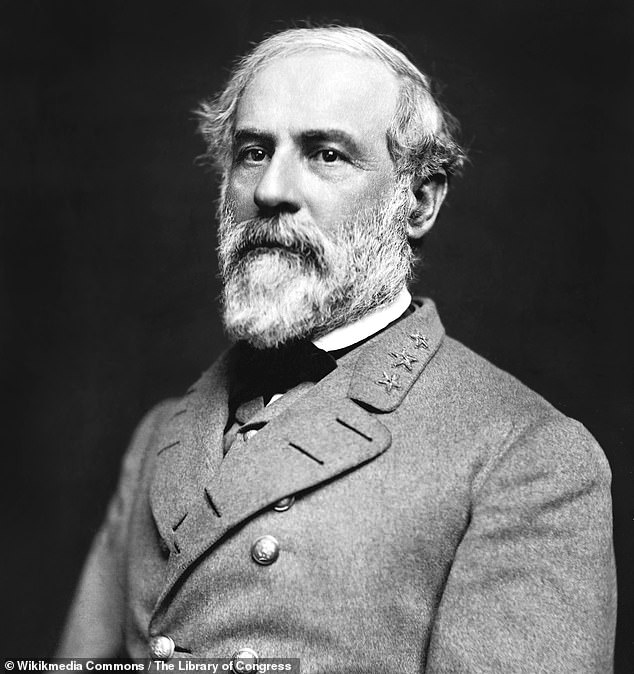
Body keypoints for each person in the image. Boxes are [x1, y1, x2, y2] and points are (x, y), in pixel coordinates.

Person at [57, 25, 617, 671]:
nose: (272, 190)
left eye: (325, 154)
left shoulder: (525, 457)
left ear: (419, 201)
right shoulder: (156, 437)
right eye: (253, 151)